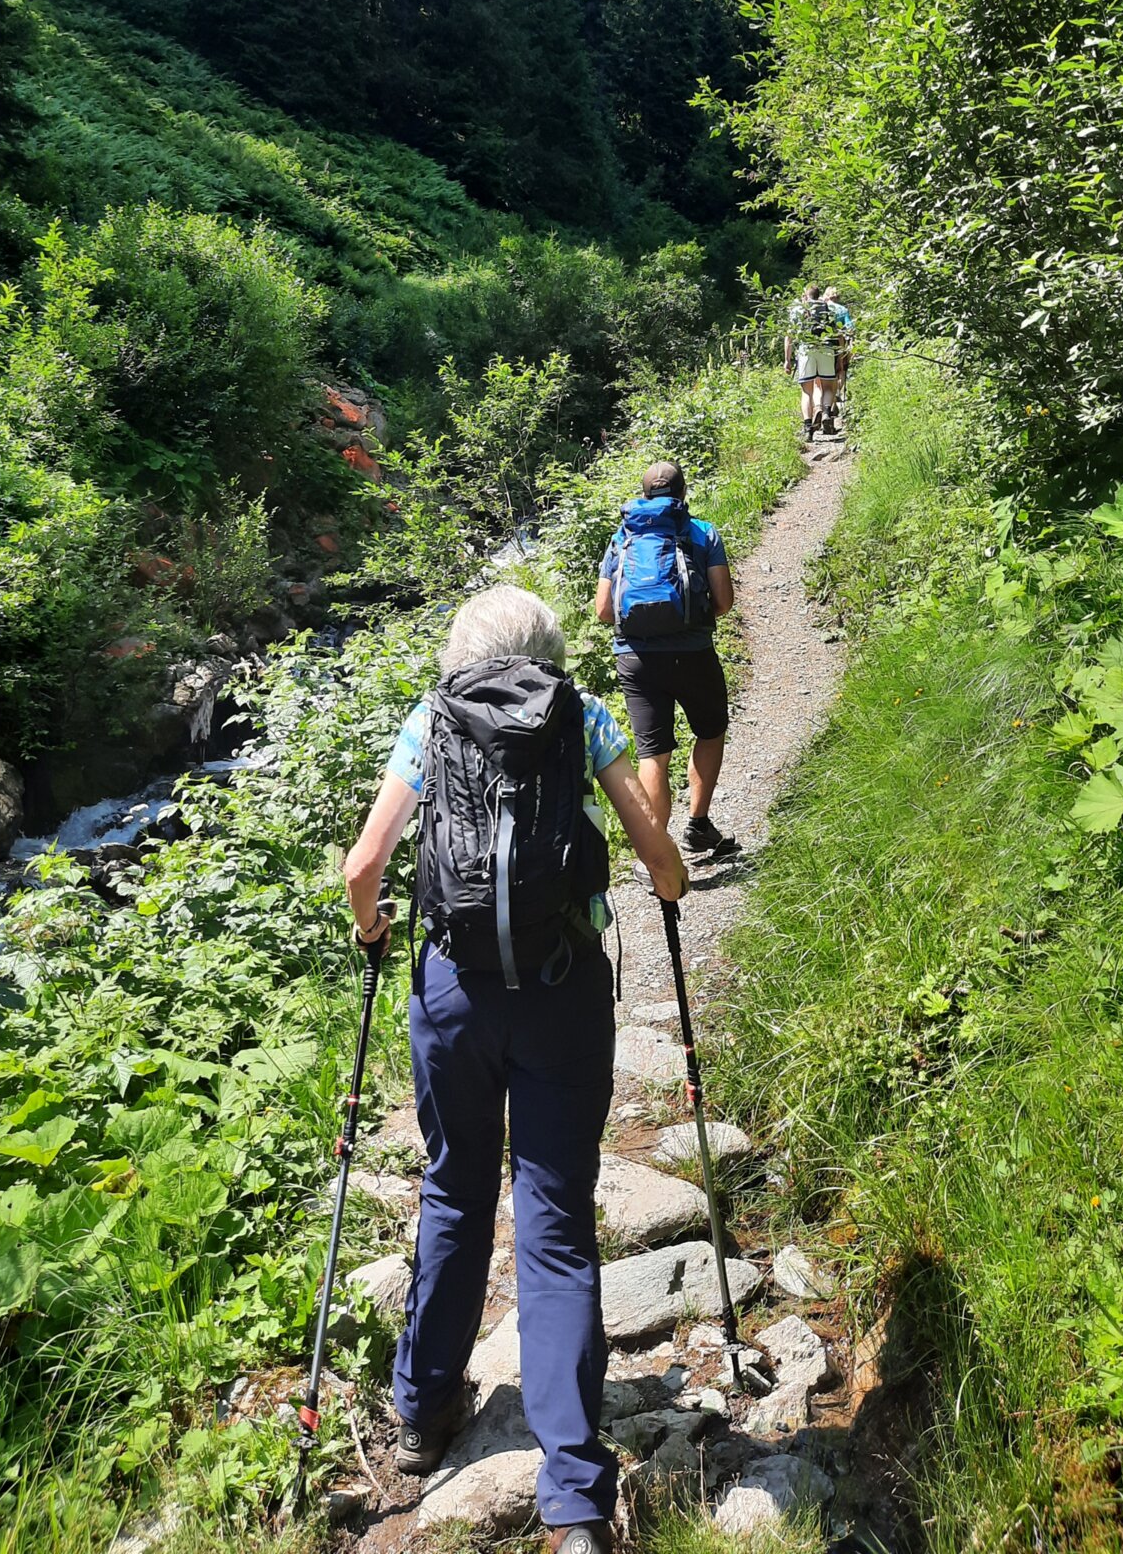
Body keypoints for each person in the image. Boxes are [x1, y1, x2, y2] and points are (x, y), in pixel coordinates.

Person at [344, 586, 687, 1554]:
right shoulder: (585, 716)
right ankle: (575, 1496)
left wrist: (372, 930)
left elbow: (363, 868)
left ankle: (424, 1413)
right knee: (555, 1220)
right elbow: (655, 854)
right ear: (550, 650)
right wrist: (671, 882)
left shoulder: (431, 718)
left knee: (454, 1190)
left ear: (462, 653)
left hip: (454, 993)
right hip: (561, 991)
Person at [594, 460, 739, 863]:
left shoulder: (623, 537)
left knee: (652, 754)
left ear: (644, 496)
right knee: (710, 732)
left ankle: (655, 856)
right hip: (693, 654)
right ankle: (698, 825)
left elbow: (604, 610)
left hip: (635, 659)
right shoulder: (702, 532)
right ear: (683, 493)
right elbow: (724, 602)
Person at [784, 282, 853, 438]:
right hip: (826, 349)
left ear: (805, 295)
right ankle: (827, 412)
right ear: (818, 295)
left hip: (806, 350)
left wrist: (787, 360)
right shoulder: (828, 309)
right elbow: (839, 335)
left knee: (806, 391)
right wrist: (840, 358)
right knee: (828, 386)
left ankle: (808, 428)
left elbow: (789, 337)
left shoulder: (798, 310)